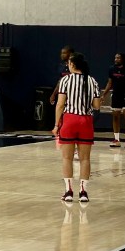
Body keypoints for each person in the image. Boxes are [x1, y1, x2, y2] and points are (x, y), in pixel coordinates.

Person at [53, 52, 102, 203]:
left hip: (69, 120)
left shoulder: (65, 80)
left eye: (68, 63)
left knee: (67, 158)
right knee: (85, 159)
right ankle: (83, 192)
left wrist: (56, 124)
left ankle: (68, 191)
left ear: (72, 64)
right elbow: (97, 106)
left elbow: (60, 104)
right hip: (86, 121)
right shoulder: (92, 80)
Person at [100, 52, 125, 149]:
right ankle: (116, 139)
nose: (116, 59)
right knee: (115, 117)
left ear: (123, 59)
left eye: (118, 58)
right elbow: (109, 83)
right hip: (116, 95)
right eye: (115, 58)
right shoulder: (111, 69)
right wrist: (103, 95)